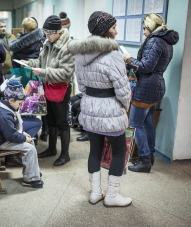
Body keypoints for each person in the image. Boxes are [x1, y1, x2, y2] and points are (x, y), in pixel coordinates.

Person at [68, 11, 132, 207]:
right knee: (119, 151)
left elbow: (82, 86)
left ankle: (95, 193)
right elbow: (123, 90)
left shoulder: (80, 53)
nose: (116, 31)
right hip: (110, 109)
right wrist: (124, 106)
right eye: (114, 27)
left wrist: (93, 98)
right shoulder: (113, 54)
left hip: (89, 106)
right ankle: (112, 196)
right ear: (105, 30)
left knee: (94, 151)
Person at [123, 13, 179, 173]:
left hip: (147, 86)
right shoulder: (166, 41)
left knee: (135, 123)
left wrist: (129, 60)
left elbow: (146, 67)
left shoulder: (154, 41)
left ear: (150, 27)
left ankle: (145, 159)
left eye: (144, 29)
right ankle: (150, 155)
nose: (143, 32)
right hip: (157, 86)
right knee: (148, 123)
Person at [22, 15, 75, 166]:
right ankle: (52, 149)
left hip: (60, 88)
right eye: (46, 33)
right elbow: (40, 61)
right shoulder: (48, 42)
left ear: (58, 32)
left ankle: (65, 154)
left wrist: (43, 72)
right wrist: (29, 62)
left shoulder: (68, 47)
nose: (47, 36)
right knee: (50, 120)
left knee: (62, 122)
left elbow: (66, 73)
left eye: (50, 33)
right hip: (48, 86)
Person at [0, 78, 43, 188]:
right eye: (20, 103)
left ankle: (33, 171)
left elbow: (13, 128)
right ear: (11, 100)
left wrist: (22, 133)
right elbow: (11, 135)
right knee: (30, 147)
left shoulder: (7, 108)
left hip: (6, 137)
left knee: (30, 144)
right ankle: (31, 178)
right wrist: (24, 138)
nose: (20, 106)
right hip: (2, 142)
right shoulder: (4, 115)